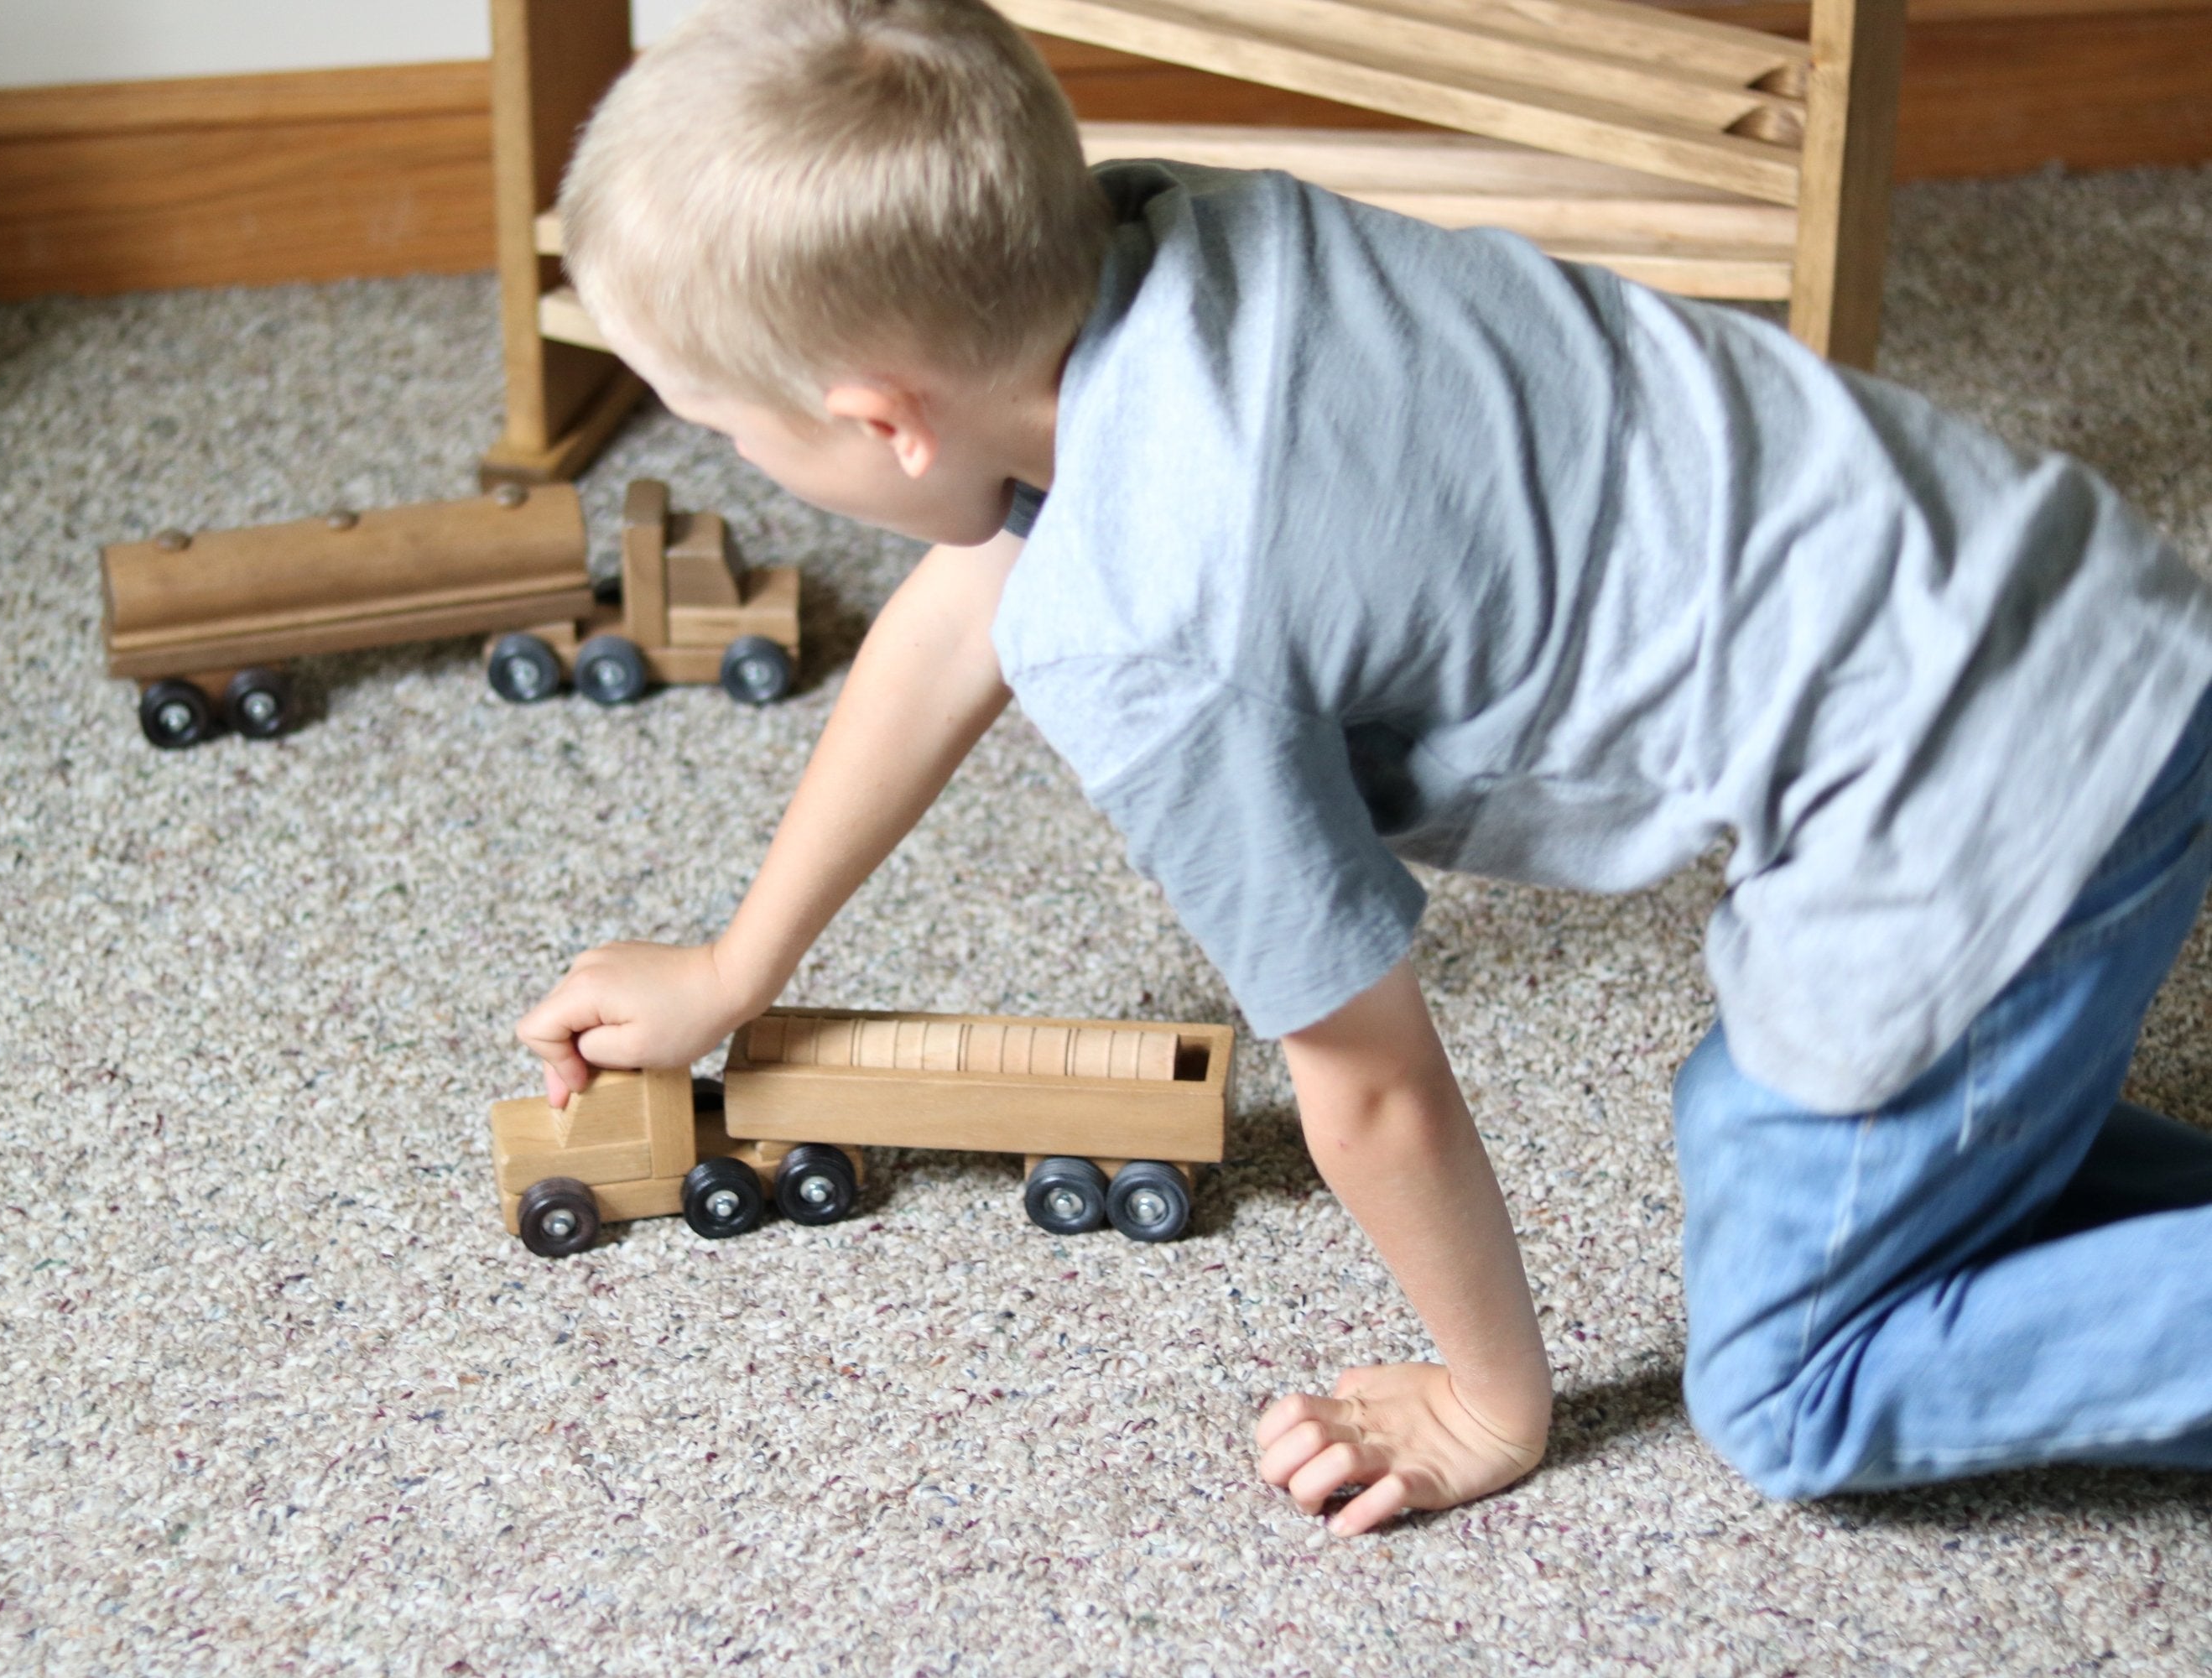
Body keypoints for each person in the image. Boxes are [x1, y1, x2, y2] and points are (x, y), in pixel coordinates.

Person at [516, 0, 2212, 1532]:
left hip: (1984, 797)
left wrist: (1490, 1398)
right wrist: (745, 960)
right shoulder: (1160, 233)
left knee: (1790, 1382)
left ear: (886, 421)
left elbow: (1374, 1077)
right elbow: (977, 592)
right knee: (1777, 1130)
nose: (732, 456)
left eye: (730, 427)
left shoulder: (1148, 627)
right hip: (2070, 606)